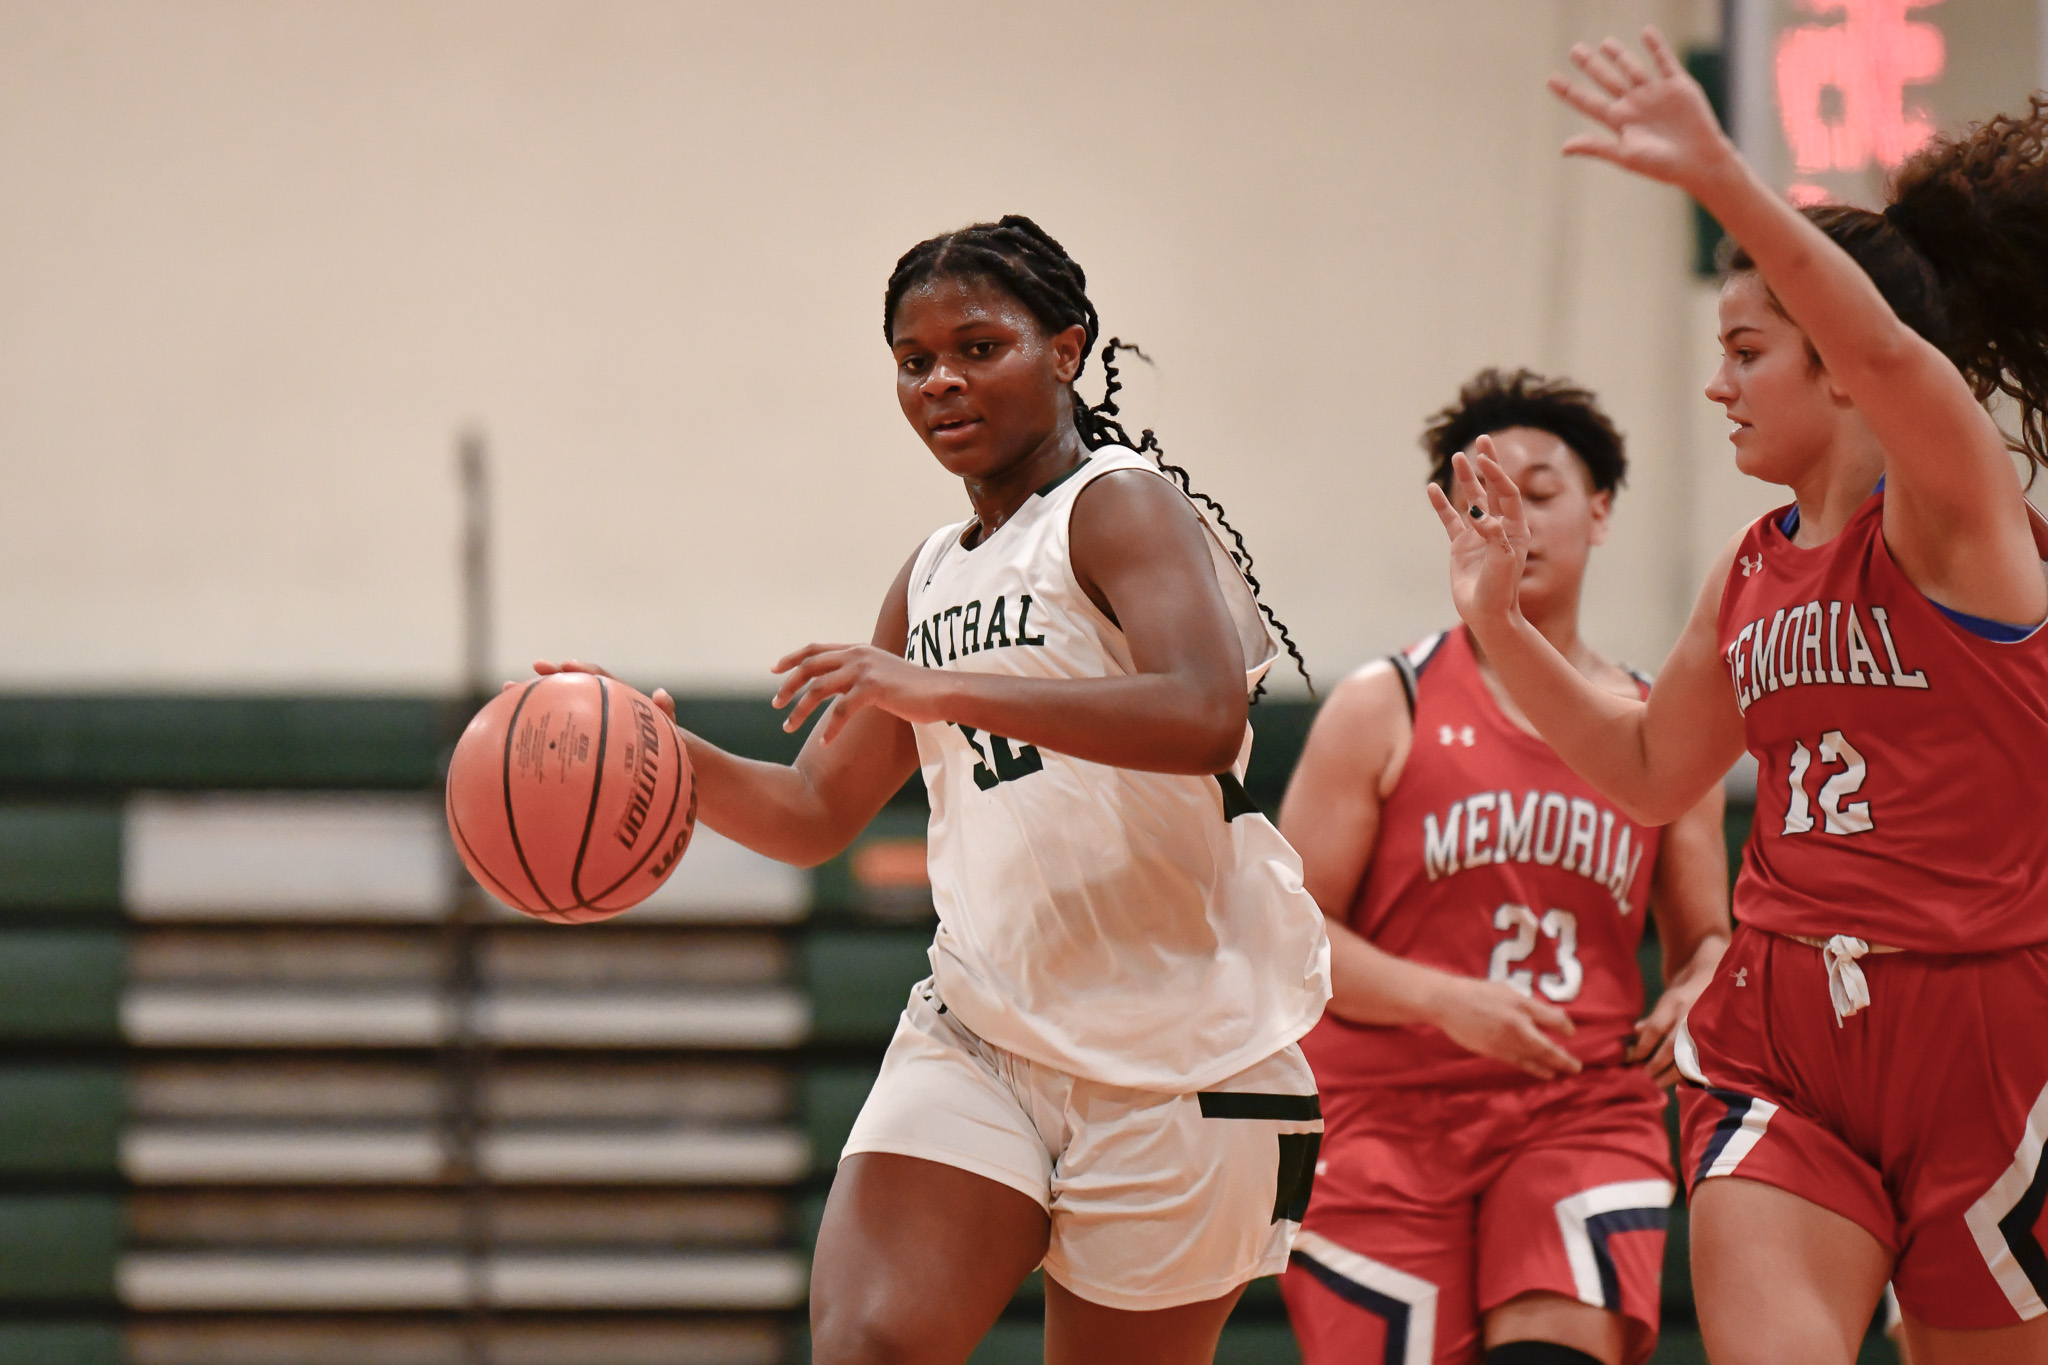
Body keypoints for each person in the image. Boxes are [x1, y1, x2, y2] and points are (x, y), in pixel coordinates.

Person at [533, 215, 1331, 1365]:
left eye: (977, 347)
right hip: (985, 1029)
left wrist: (939, 687)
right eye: (913, 362)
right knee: (870, 1343)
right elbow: (813, 813)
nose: (940, 381)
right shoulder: (930, 574)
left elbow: (1201, 715)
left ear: (1064, 349)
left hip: (1182, 1060)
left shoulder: (1118, 504)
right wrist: (651, 749)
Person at [1432, 29, 2048, 1365]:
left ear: (1832, 361)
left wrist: (1719, 174)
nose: (1716, 382)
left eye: (1747, 347)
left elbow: (1890, 355)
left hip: (1985, 1038)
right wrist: (1500, 628)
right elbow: (1651, 768)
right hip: (1783, 1034)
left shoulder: (1956, 521)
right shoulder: (1753, 569)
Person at [1277, 368, 1730, 1365]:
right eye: (1482, 501)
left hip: (1580, 1109)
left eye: (1539, 492)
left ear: (1599, 510)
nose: (1511, 522)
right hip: (1384, 1120)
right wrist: (1443, 1000)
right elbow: (1287, 940)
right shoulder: (1383, 702)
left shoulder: (1661, 726)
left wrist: (1699, 986)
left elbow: (1706, 937)